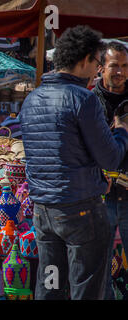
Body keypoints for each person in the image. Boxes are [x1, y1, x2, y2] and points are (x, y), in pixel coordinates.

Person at [19, 25, 128, 300]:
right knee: (86, 286)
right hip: (80, 212)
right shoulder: (84, 99)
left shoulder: (31, 100)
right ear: (84, 61)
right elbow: (111, 157)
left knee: (51, 282)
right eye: (97, 63)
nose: (97, 71)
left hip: (43, 210)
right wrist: (122, 131)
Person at [92, 42, 128, 300]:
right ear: (101, 67)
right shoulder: (89, 101)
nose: (120, 71)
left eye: (125, 66)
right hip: (100, 198)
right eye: (115, 65)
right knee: (99, 265)